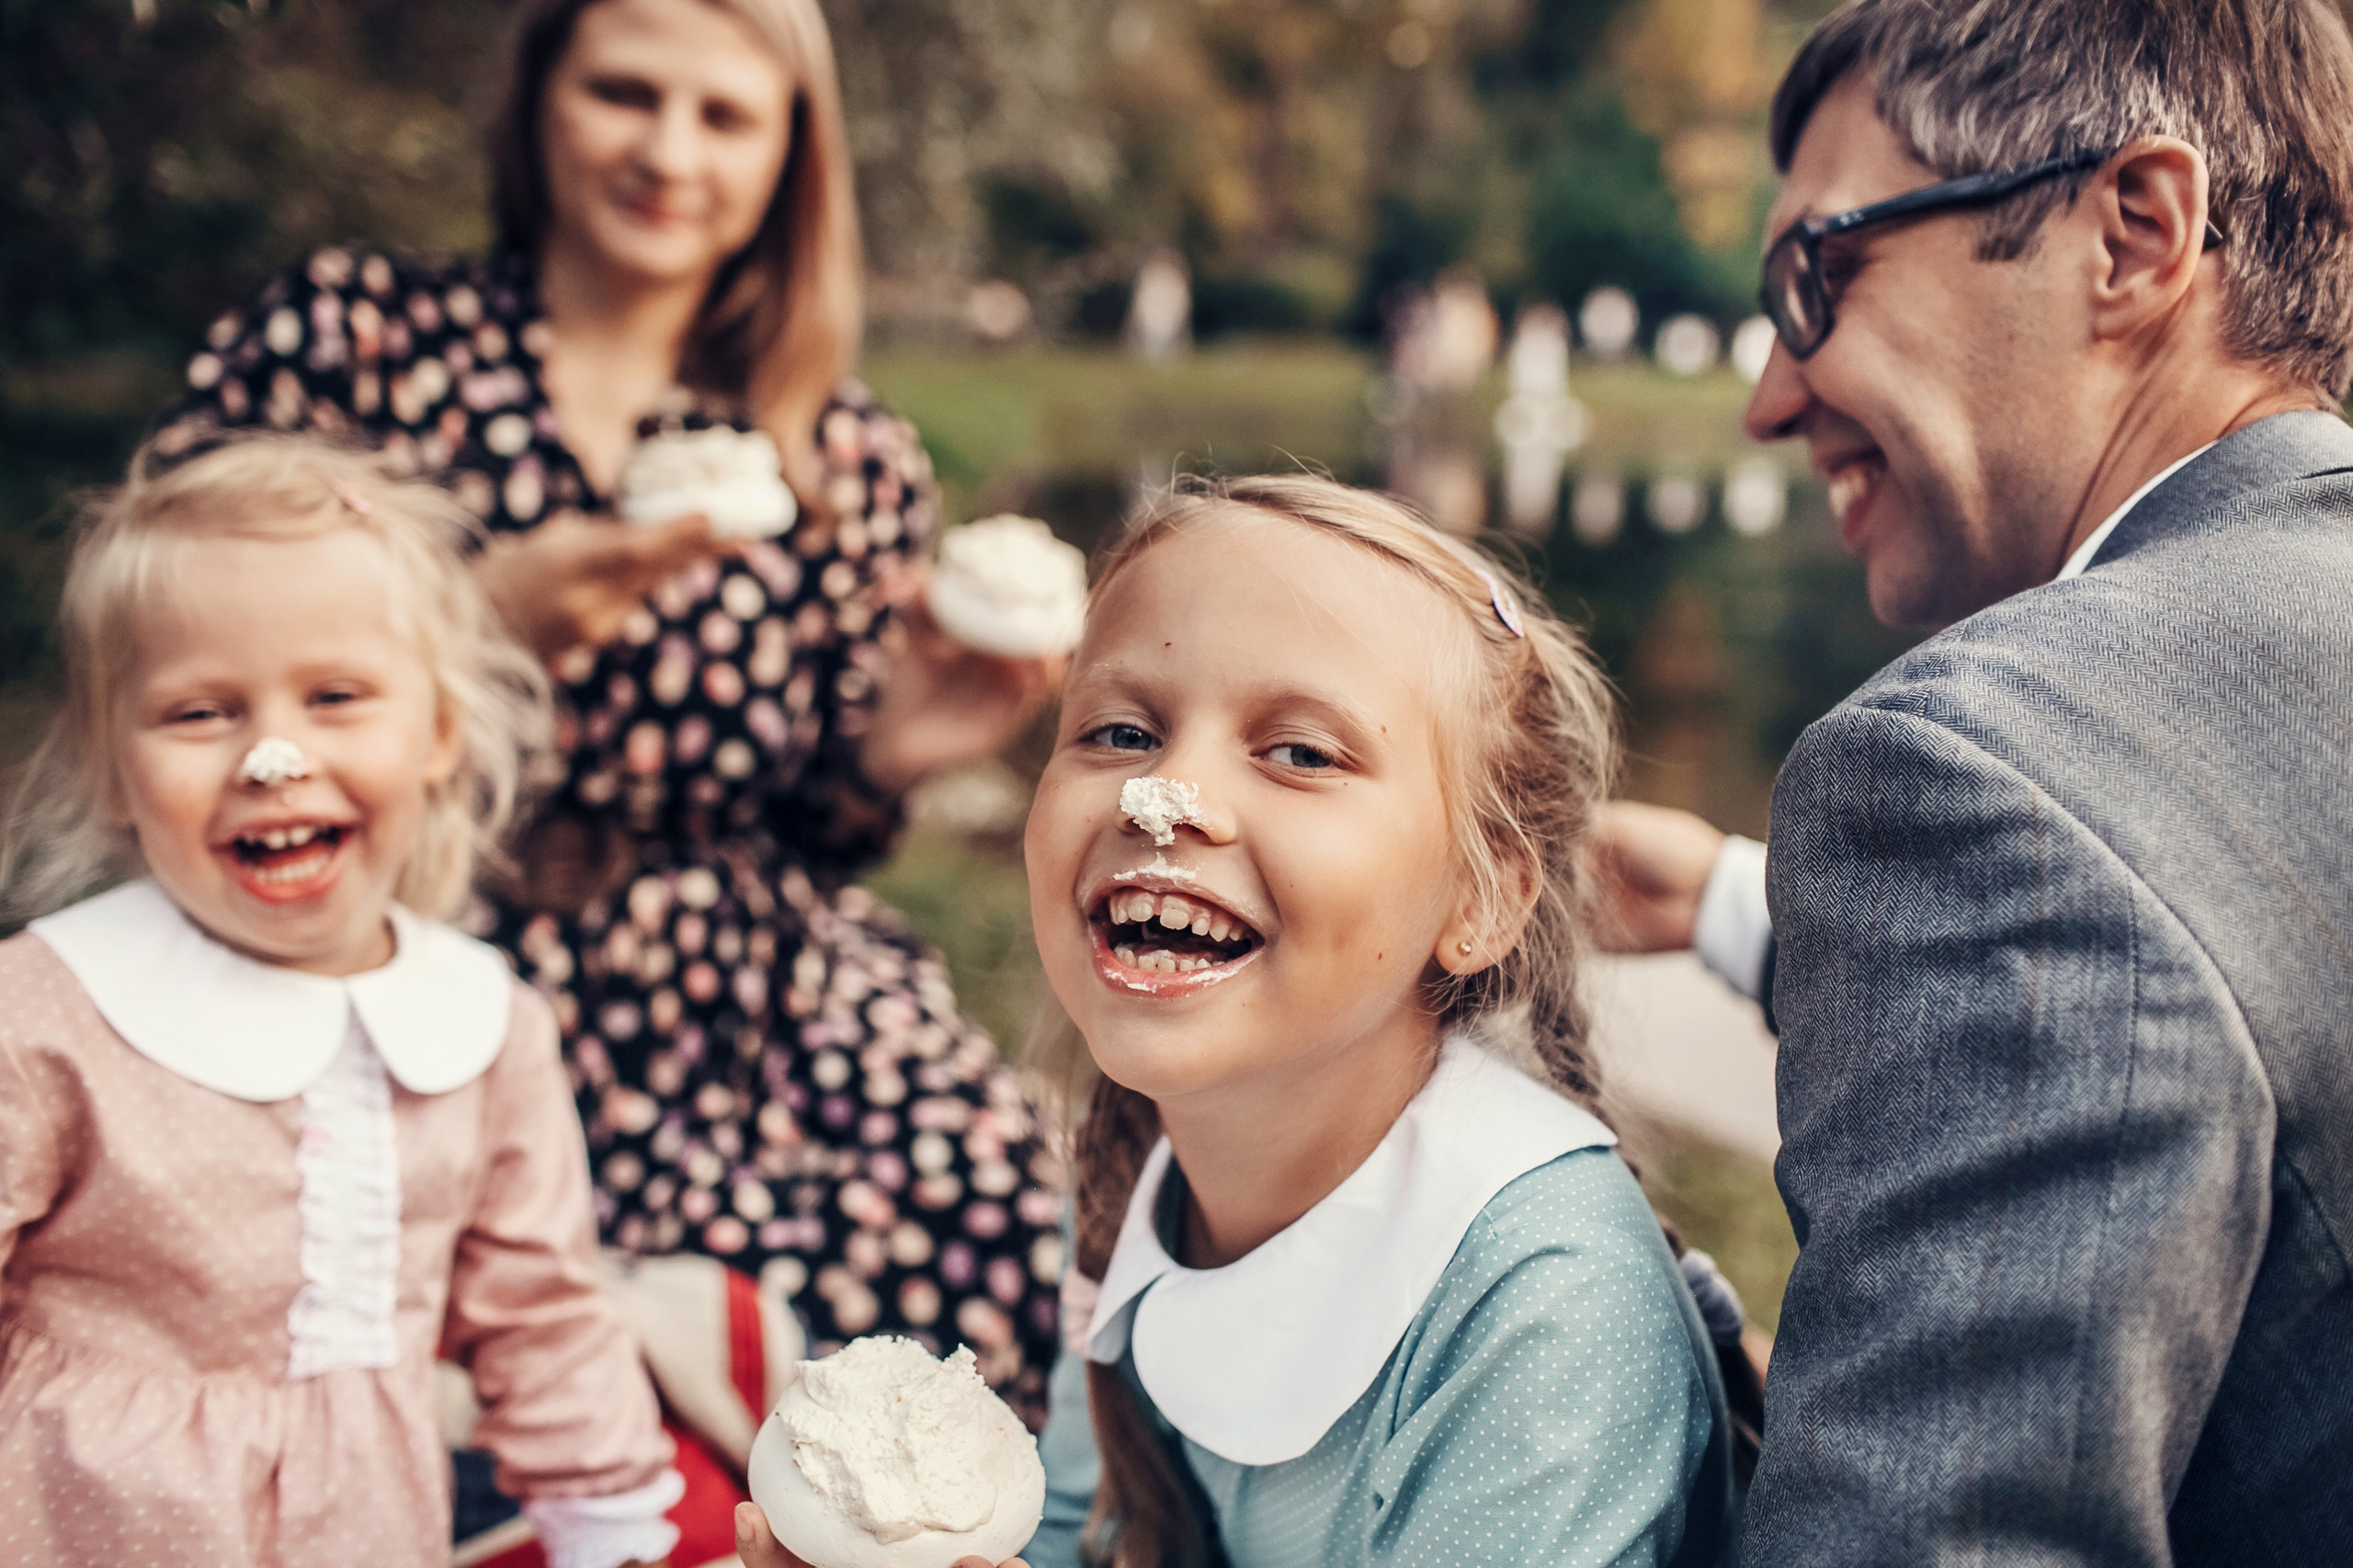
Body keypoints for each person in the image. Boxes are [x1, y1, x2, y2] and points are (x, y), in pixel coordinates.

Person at [153, 0, 1068, 1441]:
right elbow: (167, 633)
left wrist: (890, 747)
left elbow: (806, 819)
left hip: (733, 984)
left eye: (724, 115)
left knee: (976, 1192)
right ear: (540, 99)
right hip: (396, 945)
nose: (668, 151)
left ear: (790, 153)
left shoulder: (840, 454)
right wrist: (447, 636)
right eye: (624, 92)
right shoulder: (355, 343)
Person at [1594, 0, 2353, 1558]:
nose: (1769, 396)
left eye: (1815, 272)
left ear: (2132, 235)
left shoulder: (1991, 767)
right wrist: (1739, 904)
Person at [739, 474, 1738, 1568]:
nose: (1162, 795)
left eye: (1300, 752)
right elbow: (1081, 1528)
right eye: (1119, 730)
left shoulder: (1547, 1307)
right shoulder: (1134, 1167)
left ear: (1483, 896)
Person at [0, 436, 679, 1568]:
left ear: (439, 733)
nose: (273, 756)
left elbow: (545, 1316)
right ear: (116, 768)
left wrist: (607, 1528)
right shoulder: (52, 1011)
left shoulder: (480, 1023)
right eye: (200, 711)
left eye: (334, 696)